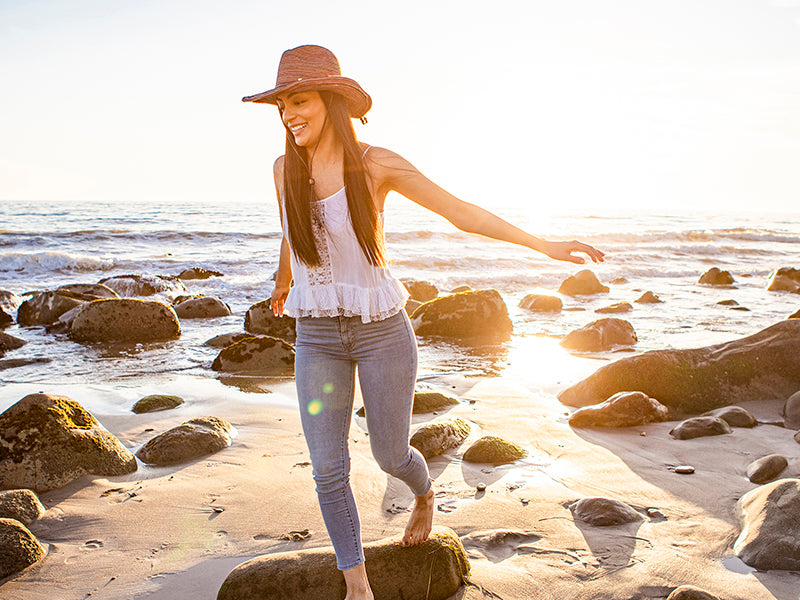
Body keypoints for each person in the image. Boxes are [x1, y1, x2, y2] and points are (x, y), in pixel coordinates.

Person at [243, 45, 604, 600]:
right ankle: (357, 586)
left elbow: (460, 212)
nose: (289, 114)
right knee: (328, 468)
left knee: (390, 455)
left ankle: (424, 493)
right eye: (282, 105)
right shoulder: (280, 169)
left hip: (381, 329)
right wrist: (283, 277)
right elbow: (293, 228)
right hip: (315, 334)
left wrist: (543, 244)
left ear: (331, 101)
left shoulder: (375, 164)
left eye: (300, 100)